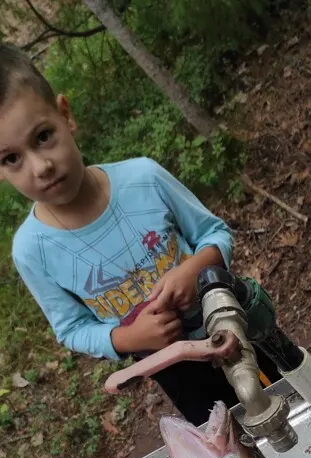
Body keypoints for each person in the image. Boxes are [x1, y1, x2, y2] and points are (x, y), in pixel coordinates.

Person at [0, 43, 280, 426]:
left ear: (65, 116)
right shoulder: (32, 250)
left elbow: (214, 233)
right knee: (227, 442)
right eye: (11, 159)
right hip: (172, 365)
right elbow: (71, 328)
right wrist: (127, 339)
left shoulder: (143, 178)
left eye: (43, 136)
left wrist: (194, 270)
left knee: (285, 398)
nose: (41, 166)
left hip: (232, 326)